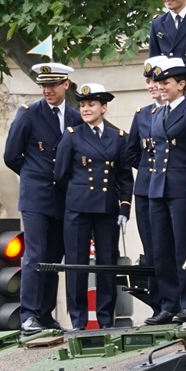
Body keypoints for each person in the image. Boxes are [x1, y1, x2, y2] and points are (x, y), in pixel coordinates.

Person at [1, 62, 81, 333]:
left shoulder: (74, 117)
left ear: (65, 85)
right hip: (36, 196)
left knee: (54, 258)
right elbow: (11, 155)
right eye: (44, 86)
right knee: (34, 254)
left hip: (63, 197)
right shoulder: (29, 114)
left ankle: (46, 314)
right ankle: (29, 315)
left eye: (53, 85)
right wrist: (35, 175)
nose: (47, 90)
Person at [53, 83, 133, 329]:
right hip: (78, 209)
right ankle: (78, 321)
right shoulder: (72, 135)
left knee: (106, 264)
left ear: (103, 107)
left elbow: (124, 176)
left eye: (91, 104)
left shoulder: (117, 137)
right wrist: (75, 199)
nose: (85, 109)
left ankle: (105, 319)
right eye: (83, 104)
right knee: (76, 265)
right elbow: (60, 175)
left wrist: (124, 209)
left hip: (107, 208)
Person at [145, 57, 186, 322]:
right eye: (159, 82)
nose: (160, 87)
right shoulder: (158, 113)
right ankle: (169, 303)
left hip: (179, 187)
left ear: (181, 84)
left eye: (166, 82)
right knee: (161, 249)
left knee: (182, 249)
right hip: (158, 187)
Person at [124, 60, 165, 317]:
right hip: (146, 189)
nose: (152, 86)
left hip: (171, 188)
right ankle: (158, 303)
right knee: (151, 249)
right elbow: (131, 153)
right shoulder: (142, 114)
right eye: (149, 82)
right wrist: (150, 168)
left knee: (170, 247)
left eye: (156, 81)